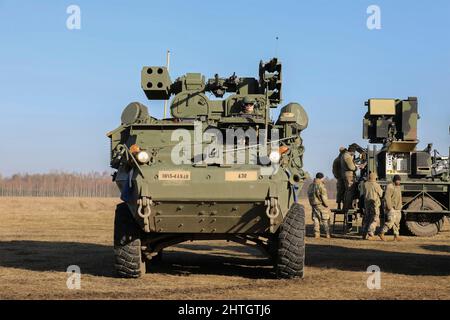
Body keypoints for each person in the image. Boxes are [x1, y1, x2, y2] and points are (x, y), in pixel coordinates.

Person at [307, 172, 331, 239]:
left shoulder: (311, 185)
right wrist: (326, 205)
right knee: (325, 219)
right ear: (321, 178)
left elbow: (309, 195)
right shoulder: (321, 185)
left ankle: (316, 234)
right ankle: (327, 234)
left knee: (316, 219)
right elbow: (324, 197)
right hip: (321, 205)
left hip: (313, 205)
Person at [379, 175, 403, 241]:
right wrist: (389, 207)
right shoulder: (390, 187)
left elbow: (399, 197)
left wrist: (400, 206)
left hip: (398, 208)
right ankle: (382, 233)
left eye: (399, 180)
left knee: (397, 222)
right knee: (391, 221)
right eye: (397, 180)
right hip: (391, 208)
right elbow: (387, 197)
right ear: (394, 180)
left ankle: (396, 236)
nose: (399, 181)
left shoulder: (398, 187)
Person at [361, 172, 383, 240]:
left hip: (367, 203)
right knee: (375, 218)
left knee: (367, 219)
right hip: (374, 204)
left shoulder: (365, 184)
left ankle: (364, 233)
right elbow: (381, 194)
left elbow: (364, 193)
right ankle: (370, 231)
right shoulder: (376, 185)